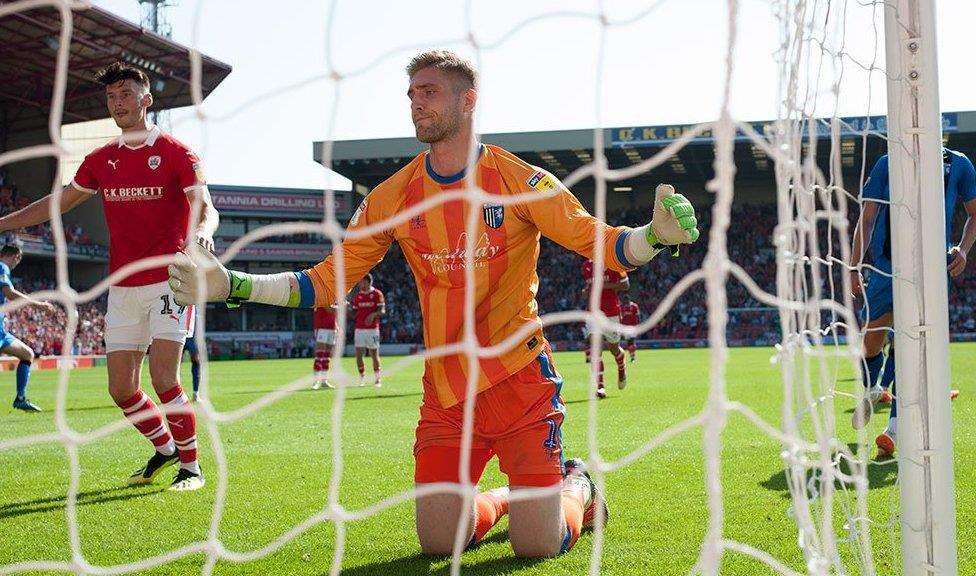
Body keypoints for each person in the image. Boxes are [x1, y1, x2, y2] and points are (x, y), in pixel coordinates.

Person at [168, 50, 699, 557]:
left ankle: (577, 485)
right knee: (440, 544)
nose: (416, 103)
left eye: (429, 92)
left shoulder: (520, 182)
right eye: (411, 94)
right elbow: (326, 283)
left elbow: (598, 241)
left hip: (520, 384)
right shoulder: (391, 196)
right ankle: (514, 501)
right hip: (446, 392)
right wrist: (232, 284)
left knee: (535, 546)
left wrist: (652, 236)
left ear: (468, 101)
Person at [0, 62, 219, 491]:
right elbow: (59, 201)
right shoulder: (102, 159)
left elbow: (207, 208)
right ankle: (165, 449)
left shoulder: (178, 152)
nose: (118, 102)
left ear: (146, 99)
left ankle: (191, 468)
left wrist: (202, 234)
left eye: (125, 93)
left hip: (170, 281)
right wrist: (4, 222)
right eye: (111, 97)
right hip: (122, 286)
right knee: (121, 389)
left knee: (164, 379)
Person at [849, 148, 976, 458]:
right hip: (885, 268)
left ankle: (894, 428)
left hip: (930, 271)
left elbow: (975, 212)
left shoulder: (957, 164)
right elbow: (866, 219)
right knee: (870, 343)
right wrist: (854, 267)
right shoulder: (887, 163)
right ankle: (872, 389)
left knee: (912, 345)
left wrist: (962, 249)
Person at [0, 244, 56, 411]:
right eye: (18, 259)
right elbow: (10, 293)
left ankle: (20, 398)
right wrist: (38, 304)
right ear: (15, 256)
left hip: (2, 331)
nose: (17, 262)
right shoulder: (2, 266)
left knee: (27, 354)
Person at [581, 259, 629, 398]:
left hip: (611, 312)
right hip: (593, 312)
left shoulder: (614, 262)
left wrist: (603, 285)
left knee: (614, 348)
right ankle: (600, 386)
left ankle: (621, 367)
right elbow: (589, 286)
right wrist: (586, 291)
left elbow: (625, 284)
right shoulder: (586, 266)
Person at [350, 274, 385, 387]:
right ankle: (362, 378)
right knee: (359, 355)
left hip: (373, 329)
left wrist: (373, 315)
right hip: (359, 329)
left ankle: (377, 379)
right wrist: (346, 309)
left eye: (362, 282)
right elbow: (353, 313)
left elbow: (382, 311)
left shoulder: (377, 294)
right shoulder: (358, 296)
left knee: (374, 354)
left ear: (368, 282)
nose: (360, 284)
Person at [312, 305, 337, 389]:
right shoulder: (323, 297)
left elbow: (333, 314)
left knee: (327, 356)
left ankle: (324, 381)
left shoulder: (333, 298)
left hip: (332, 328)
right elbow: (330, 310)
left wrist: (336, 326)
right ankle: (316, 381)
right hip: (321, 327)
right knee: (320, 355)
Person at [618, 292, 642, 363]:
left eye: (626, 301)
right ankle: (632, 356)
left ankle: (633, 357)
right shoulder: (621, 307)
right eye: (624, 301)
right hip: (625, 327)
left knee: (632, 341)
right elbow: (620, 317)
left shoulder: (634, 306)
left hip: (633, 326)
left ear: (629, 300)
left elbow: (638, 316)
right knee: (629, 343)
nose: (625, 302)